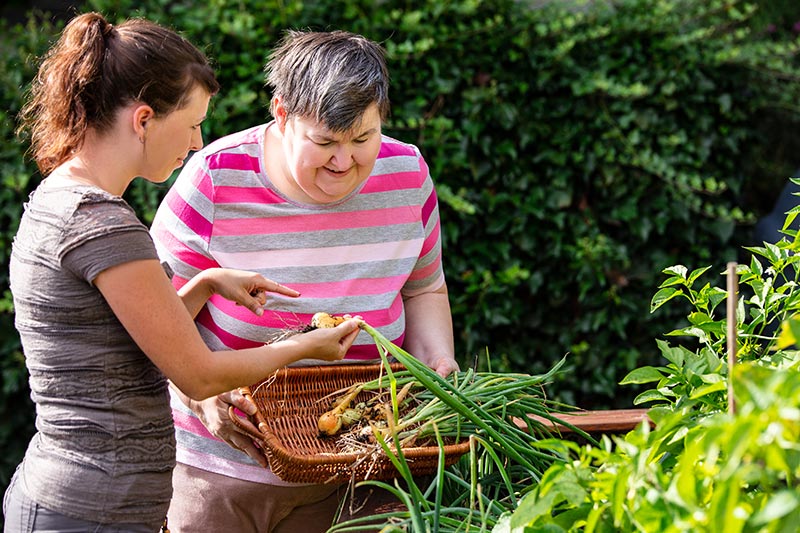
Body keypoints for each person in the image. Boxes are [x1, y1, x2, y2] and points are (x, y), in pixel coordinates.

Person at [2, 14, 361, 533]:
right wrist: (307, 347)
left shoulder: (63, 198)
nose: (197, 143)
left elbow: (128, 339)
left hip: (80, 501)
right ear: (144, 119)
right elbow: (196, 372)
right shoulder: (101, 222)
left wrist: (208, 283)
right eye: (192, 124)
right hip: (92, 508)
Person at [149, 29, 459, 532]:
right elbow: (152, 321)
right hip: (224, 472)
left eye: (363, 139)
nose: (344, 162)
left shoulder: (407, 174)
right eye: (325, 143)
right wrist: (199, 393)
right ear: (282, 114)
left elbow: (424, 288)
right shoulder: (215, 179)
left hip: (366, 467)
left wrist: (437, 359)